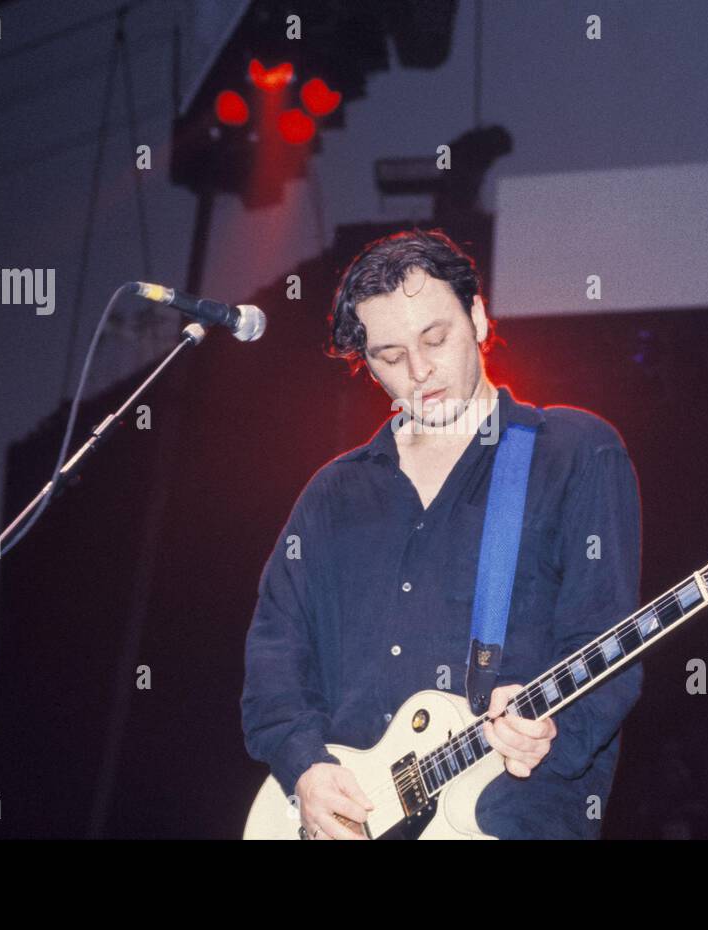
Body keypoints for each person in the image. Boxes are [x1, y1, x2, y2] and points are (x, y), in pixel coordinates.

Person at [240, 228, 644, 839]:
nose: (421, 370)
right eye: (391, 356)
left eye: (436, 338)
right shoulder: (334, 496)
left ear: (478, 316)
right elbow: (275, 660)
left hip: (508, 817)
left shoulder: (574, 453)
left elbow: (608, 641)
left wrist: (551, 733)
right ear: (367, 363)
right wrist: (305, 769)